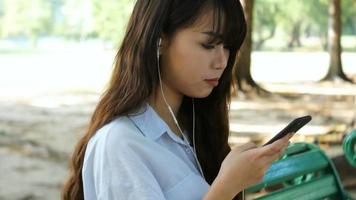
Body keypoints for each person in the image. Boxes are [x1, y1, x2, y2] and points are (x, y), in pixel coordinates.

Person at [61, 0, 291, 199]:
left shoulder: (192, 129)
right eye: (208, 45)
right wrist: (227, 187)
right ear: (159, 40)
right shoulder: (120, 143)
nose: (222, 61)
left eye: (228, 47)